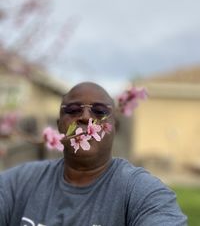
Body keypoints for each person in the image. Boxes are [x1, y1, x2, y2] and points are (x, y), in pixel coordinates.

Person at [0, 82, 187, 226]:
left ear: (115, 127)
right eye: (73, 110)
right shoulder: (19, 182)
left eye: (100, 111)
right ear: (58, 126)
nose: (86, 118)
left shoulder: (141, 192)